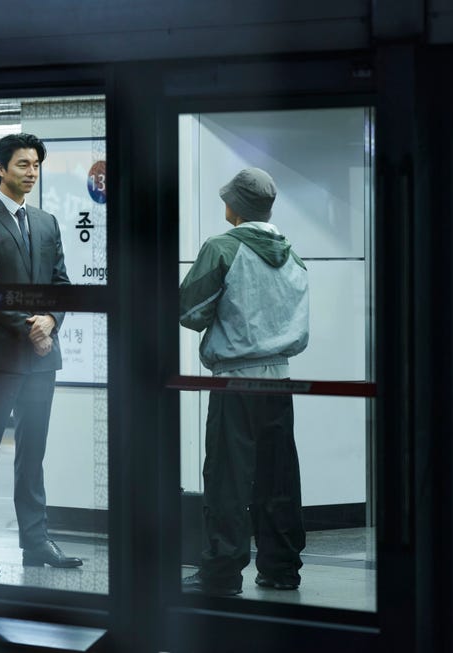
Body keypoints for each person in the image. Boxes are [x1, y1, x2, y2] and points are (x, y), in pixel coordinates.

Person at [0, 133, 82, 574]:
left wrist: (52, 321)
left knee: (33, 453)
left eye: (35, 165)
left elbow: (61, 285)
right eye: (23, 165)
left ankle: (36, 542)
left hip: (41, 357)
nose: (31, 173)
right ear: (0, 169)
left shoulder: (46, 222)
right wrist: (34, 328)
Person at [179, 167, 310, 596]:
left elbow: (189, 310)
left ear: (234, 206)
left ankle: (221, 574)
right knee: (279, 478)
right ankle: (282, 569)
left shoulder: (222, 248)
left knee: (228, 478)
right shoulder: (292, 253)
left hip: (235, 383)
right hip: (281, 380)